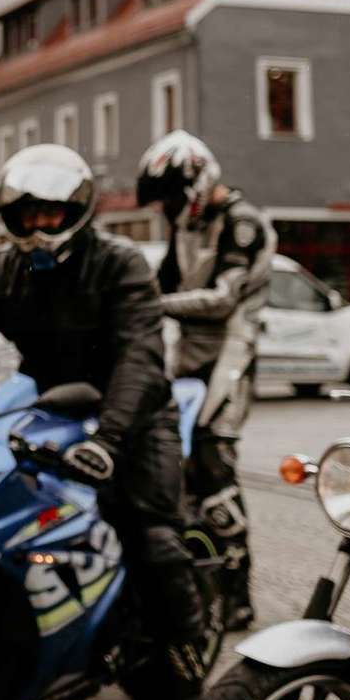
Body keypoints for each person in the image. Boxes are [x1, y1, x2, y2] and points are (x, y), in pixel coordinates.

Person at [0, 144, 207, 700]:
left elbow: (140, 359)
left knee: (154, 543)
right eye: (28, 215)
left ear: (79, 210)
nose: (40, 228)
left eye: (52, 214)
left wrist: (113, 438)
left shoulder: (121, 265)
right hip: (50, 412)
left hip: (134, 419)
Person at [135, 131, 274, 631]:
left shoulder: (242, 223)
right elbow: (162, 283)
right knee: (178, 463)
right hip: (189, 356)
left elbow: (221, 299)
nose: (167, 208)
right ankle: (200, 574)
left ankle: (238, 589)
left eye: (172, 196)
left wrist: (155, 305)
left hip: (230, 356)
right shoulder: (184, 224)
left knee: (215, 466)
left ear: (197, 179)